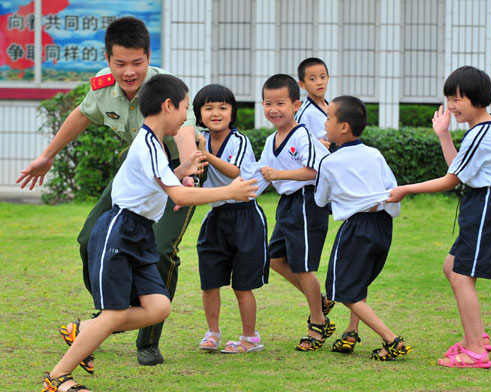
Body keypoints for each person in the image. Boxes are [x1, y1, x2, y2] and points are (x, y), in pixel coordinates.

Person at [42, 74, 258, 392]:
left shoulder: (153, 144)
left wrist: (181, 172)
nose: (186, 116)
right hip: (119, 232)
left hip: (140, 233)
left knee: (158, 307)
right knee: (114, 314)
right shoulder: (146, 145)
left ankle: (87, 331)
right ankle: (58, 377)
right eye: (185, 107)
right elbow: (181, 197)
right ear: (167, 106)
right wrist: (232, 191)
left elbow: (163, 181)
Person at [16, 17, 201, 366]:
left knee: (160, 250)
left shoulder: (166, 90)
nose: (129, 72)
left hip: (178, 174)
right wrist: (46, 156)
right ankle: (108, 318)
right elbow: (81, 115)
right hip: (135, 174)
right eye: (120, 64)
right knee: (89, 240)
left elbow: (185, 134)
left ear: (149, 57)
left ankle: (146, 341)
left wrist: (188, 171)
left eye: (137, 63)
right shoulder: (103, 86)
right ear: (108, 59)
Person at [387, 66, 491, 368]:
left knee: (462, 275)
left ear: (477, 99)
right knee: (453, 267)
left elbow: (450, 180)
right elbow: (459, 171)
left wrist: (406, 189)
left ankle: (476, 350)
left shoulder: (482, 133)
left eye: (457, 99)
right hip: (483, 201)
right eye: (448, 98)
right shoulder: (481, 130)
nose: (451, 105)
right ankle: (476, 337)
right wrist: (444, 134)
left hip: (490, 203)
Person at [314, 95, 411, 360]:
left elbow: (320, 199)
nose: (325, 123)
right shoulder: (375, 154)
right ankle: (351, 333)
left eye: (329, 118)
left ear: (343, 127)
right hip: (383, 224)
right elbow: (391, 189)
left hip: (357, 226)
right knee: (359, 281)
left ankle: (392, 340)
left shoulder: (329, 162)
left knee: (343, 290)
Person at [250, 74, 333, 351]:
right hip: (287, 204)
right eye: (267, 103)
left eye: (280, 103)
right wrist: (235, 195)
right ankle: (319, 302)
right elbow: (261, 175)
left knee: (303, 266)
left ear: (296, 104)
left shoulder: (302, 135)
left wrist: (279, 174)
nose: (273, 109)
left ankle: (318, 324)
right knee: (275, 259)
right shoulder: (272, 139)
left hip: (308, 203)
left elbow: (313, 171)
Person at [192, 84, 269, 354]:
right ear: (198, 114)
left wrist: (205, 154)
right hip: (216, 217)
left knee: (242, 286)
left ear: (232, 112)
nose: (216, 113)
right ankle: (212, 333)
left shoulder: (239, 141)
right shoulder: (195, 138)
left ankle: (250, 339)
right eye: (209, 108)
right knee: (210, 281)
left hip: (245, 217)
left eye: (223, 107)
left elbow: (234, 172)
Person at [294, 57, 332, 150]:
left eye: (323, 77)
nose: (319, 82)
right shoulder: (304, 113)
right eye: (312, 79)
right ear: (302, 84)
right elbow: (294, 141)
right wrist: (316, 144)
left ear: (328, 78)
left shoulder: (332, 107)